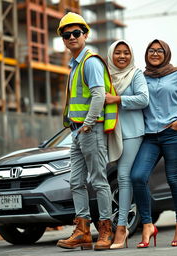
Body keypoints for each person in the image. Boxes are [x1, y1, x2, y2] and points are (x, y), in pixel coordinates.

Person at [56, 12, 118, 251]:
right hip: (78, 132)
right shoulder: (75, 64)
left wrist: (89, 123)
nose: (71, 37)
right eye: (66, 34)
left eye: (76, 33)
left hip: (89, 130)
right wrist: (79, 128)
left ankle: (105, 229)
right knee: (76, 182)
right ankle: (82, 230)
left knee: (99, 180)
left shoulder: (90, 61)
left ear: (85, 34)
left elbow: (99, 95)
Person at [130, 39, 177, 248]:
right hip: (150, 136)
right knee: (138, 176)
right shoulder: (141, 77)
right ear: (146, 54)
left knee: (174, 178)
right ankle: (148, 225)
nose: (155, 53)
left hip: (173, 134)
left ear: (166, 54)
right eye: (151, 50)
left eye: (160, 50)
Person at [105, 40, 149, 249]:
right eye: (118, 53)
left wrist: (117, 99)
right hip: (111, 133)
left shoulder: (136, 74)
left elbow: (143, 99)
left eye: (126, 53)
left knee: (123, 176)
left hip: (132, 133)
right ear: (110, 55)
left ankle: (121, 228)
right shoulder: (106, 75)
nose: (122, 56)